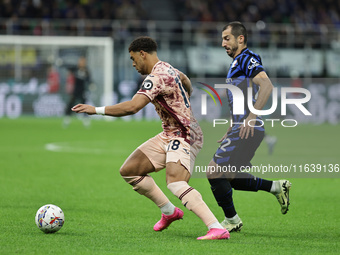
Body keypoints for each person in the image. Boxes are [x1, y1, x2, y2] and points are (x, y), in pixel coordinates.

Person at [72, 36, 230, 240]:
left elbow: (132, 107)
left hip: (184, 134)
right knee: (129, 171)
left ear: (142, 54)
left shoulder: (155, 77)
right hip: (169, 133)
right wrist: (185, 99)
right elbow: (185, 80)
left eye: (133, 58)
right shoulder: (168, 68)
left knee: (176, 183)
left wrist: (96, 110)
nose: (133, 63)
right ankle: (169, 211)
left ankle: (216, 228)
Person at [206, 21, 292, 232]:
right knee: (231, 177)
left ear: (240, 38)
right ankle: (275, 186)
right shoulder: (236, 63)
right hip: (242, 126)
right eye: (222, 39)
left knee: (213, 172)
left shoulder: (247, 58)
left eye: (227, 38)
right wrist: (232, 124)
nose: (223, 43)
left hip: (247, 127)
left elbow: (267, 85)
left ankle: (232, 220)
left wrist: (251, 116)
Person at [63, 56, 91, 128]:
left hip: (83, 90)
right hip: (75, 90)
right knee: (71, 104)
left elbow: (89, 79)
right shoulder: (75, 68)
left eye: (83, 61)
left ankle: (85, 120)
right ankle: (67, 119)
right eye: (80, 61)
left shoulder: (86, 70)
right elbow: (67, 66)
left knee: (84, 105)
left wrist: (91, 84)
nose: (81, 63)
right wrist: (61, 63)